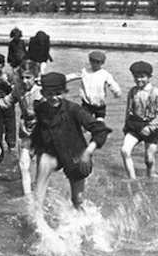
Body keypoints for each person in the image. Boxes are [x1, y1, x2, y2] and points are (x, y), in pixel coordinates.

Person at [31, 72, 111, 210]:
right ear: (43, 93)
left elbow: (100, 130)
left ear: (65, 92)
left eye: (58, 93)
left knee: (77, 199)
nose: (53, 98)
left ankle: (85, 223)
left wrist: (88, 152)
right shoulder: (40, 108)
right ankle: (37, 220)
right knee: (42, 172)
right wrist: (32, 148)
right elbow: (39, 130)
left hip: (76, 155)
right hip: (53, 154)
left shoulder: (73, 109)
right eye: (49, 94)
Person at [0, 59, 43, 195]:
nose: (25, 81)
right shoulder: (18, 89)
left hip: (42, 131)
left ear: (36, 77)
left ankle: (40, 193)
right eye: (22, 77)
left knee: (42, 166)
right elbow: (7, 102)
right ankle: (27, 196)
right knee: (23, 165)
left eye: (28, 78)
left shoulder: (41, 91)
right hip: (25, 131)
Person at [120, 61, 158, 179]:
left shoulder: (156, 93)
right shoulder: (132, 92)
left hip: (151, 127)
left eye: (142, 77)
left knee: (149, 159)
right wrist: (126, 127)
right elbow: (128, 110)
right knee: (125, 150)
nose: (138, 79)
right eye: (136, 76)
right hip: (135, 125)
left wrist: (150, 128)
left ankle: (150, 177)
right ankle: (132, 179)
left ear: (150, 77)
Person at [66, 50, 122, 121]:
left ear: (102, 63)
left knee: (100, 122)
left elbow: (112, 84)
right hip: (87, 103)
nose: (95, 64)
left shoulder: (105, 74)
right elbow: (72, 76)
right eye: (92, 61)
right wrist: (61, 79)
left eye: (98, 62)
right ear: (90, 61)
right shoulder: (85, 71)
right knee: (85, 121)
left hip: (100, 104)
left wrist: (116, 92)